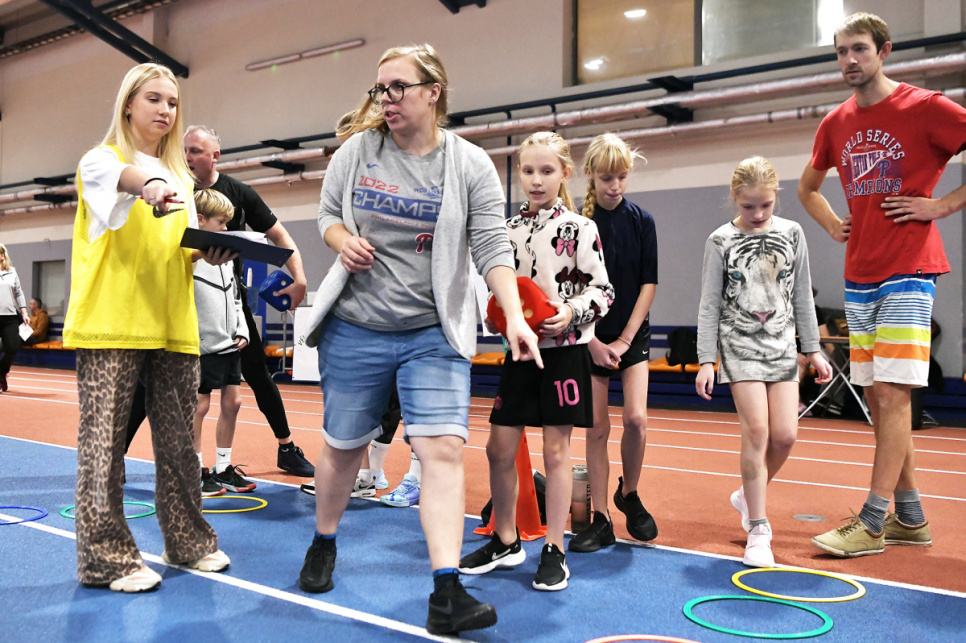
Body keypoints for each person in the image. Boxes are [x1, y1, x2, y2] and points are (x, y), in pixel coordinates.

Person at [296, 44, 542, 636]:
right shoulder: (357, 151)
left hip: (433, 332)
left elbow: (492, 247)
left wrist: (514, 316)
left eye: (398, 87)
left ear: (433, 92)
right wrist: (340, 241)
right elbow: (327, 214)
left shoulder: (470, 164)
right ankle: (324, 540)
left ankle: (446, 589)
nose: (387, 99)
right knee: (344, 448)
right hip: (356, 325)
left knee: (442, 451)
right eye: (380, 89)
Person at [798, 12, 966, 557]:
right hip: (861, 274)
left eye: (859, 49)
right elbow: (808, 187)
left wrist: (941, 205)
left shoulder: (925, 107)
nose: (849, 60)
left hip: (909, 270)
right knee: (879, 398)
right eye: (841, 51)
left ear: (884, 51)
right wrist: (832, 224)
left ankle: (871, 522)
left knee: (892, 396)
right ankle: (911, 518)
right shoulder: (835, 122)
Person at [63, 63, 230, 592]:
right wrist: (151, 184)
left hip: (173, 325)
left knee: (181, 445)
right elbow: (130, 180)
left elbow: (177, 249)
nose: (165, 109)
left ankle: (188, 542)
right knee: (103, 446)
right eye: (154, 98)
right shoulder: (100, 160)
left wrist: (209, 251)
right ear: (129, 104)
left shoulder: (181, 177)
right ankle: (105, 560)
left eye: (172, 102)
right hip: (112, 324)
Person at [459, 131, 612, 591]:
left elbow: (603, 291)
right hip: (519, 355)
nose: (536, 180)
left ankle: (554, 549)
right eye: (528, 171)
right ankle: (506, 540)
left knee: (557, 451)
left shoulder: (582, 228)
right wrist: (498, 318)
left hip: (564, 355)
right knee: (498, 449)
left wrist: (571, 311)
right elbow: (497, 292)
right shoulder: (505, 230)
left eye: (546, 171)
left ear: (565, 172)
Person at [122, 125, 315, 478]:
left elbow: (279, 235)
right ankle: (117, 456)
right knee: (148, 385)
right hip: (180, 301)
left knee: (256, 376)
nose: (187, 157)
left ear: (215, 157)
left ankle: (285, 448)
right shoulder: (172, 190)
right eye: (184, 150)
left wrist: (299, 278)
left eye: (196, 151)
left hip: (229, 299)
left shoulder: (239, 193)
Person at [696, 156, 832, 567]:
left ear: (776, 197)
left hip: (782, 346)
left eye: (766, 205)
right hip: (738, 345)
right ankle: (758, 529)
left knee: (785, 435)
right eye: (748, 206)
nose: (757, 214)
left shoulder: (792, 233)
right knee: (757, 431)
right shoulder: (719, 240)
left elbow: (802, 295)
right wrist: (706, 360)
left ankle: (745, 494)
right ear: (734, 198)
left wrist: (813, 348)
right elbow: (709, 304)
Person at [568, 132, 659, 553]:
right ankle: (601, 516)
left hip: (631, 334)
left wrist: (624, 339)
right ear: (590, 174)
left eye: (621, 177)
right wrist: (593, 342)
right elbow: (570, 290)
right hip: (589, 338)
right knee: (597, 428)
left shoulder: (642, 221)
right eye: (606, 178)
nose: (615, 186)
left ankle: (630, 492)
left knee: (636, 419)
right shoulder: (576, 225)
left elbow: (648, 285)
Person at [191, 189, 255, 496]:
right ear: (200, 220)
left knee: (234, 402)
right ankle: (194, 470)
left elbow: (235, 296)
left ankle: (223, 468)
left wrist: (242, 328)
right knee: (199, 406)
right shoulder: (189, 257)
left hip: (229, 343)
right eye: (221, 222)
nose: (226, 228)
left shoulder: (226, 258)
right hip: (202, 346)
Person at [0, 243, 30, 393]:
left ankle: (2, 372)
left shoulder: (11, 272)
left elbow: (18, 293)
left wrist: (24, 312)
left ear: (3, 255)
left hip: (10, 317)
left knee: (13, 347)